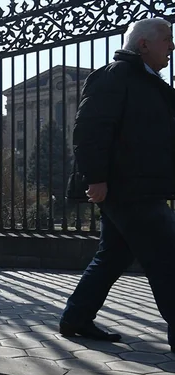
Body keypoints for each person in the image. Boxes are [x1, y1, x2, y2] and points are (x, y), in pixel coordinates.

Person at [60, 18, 175, 352]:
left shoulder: (149, 82)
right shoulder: (114, 76)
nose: (172, 46)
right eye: (166, 39)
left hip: (138, 186)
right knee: (168, 257)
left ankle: (76, 317)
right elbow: (88, 129)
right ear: (143, 45)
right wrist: (94, 178)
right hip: (129, 188)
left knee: (113, 255)